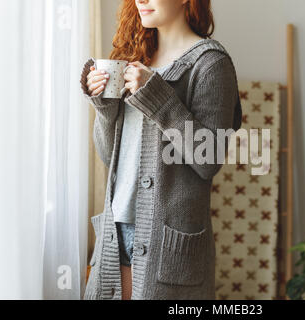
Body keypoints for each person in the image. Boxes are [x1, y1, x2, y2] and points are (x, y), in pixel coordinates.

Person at [80, 0, 242, 300]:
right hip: (115, 230)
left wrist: (158, 98)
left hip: (167, 245)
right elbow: (109, 157)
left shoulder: (211, 63)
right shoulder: (134, 58)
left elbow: (209, 160)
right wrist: (104, 109)